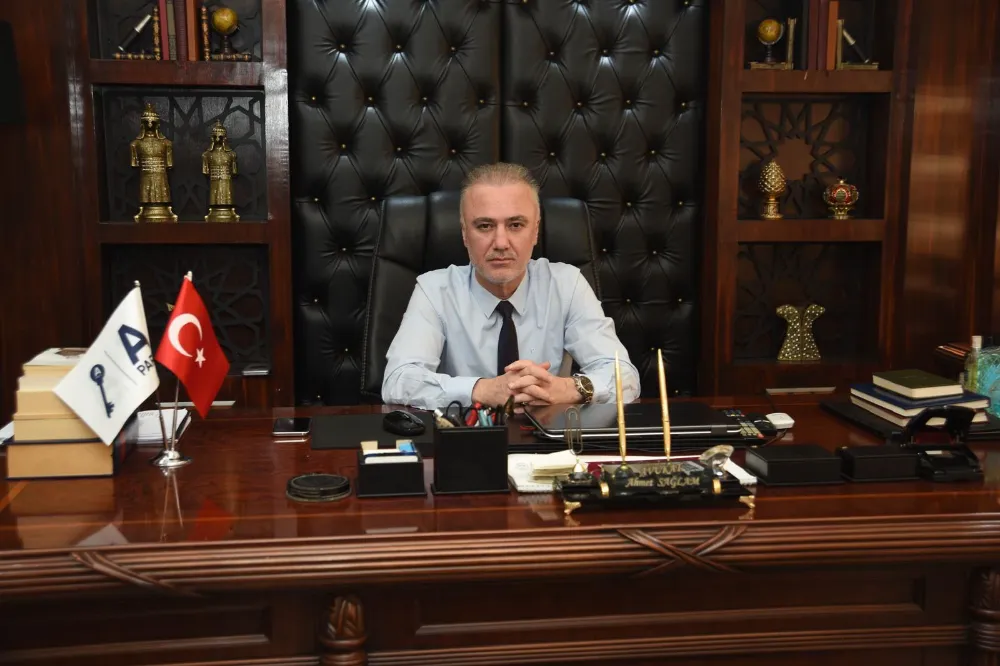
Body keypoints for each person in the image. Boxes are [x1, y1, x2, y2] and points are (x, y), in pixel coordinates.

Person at [381, 162, 641, 411]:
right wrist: (482, 389)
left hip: (550, 437)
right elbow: (398, 380)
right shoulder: (434, 290)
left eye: (516, 225)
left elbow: (625, 377)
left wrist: (566, 388)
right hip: (465, 434)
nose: (501, 243)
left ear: (535, 231)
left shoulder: (567, 284)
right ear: (464, 233)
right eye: (485, 226)